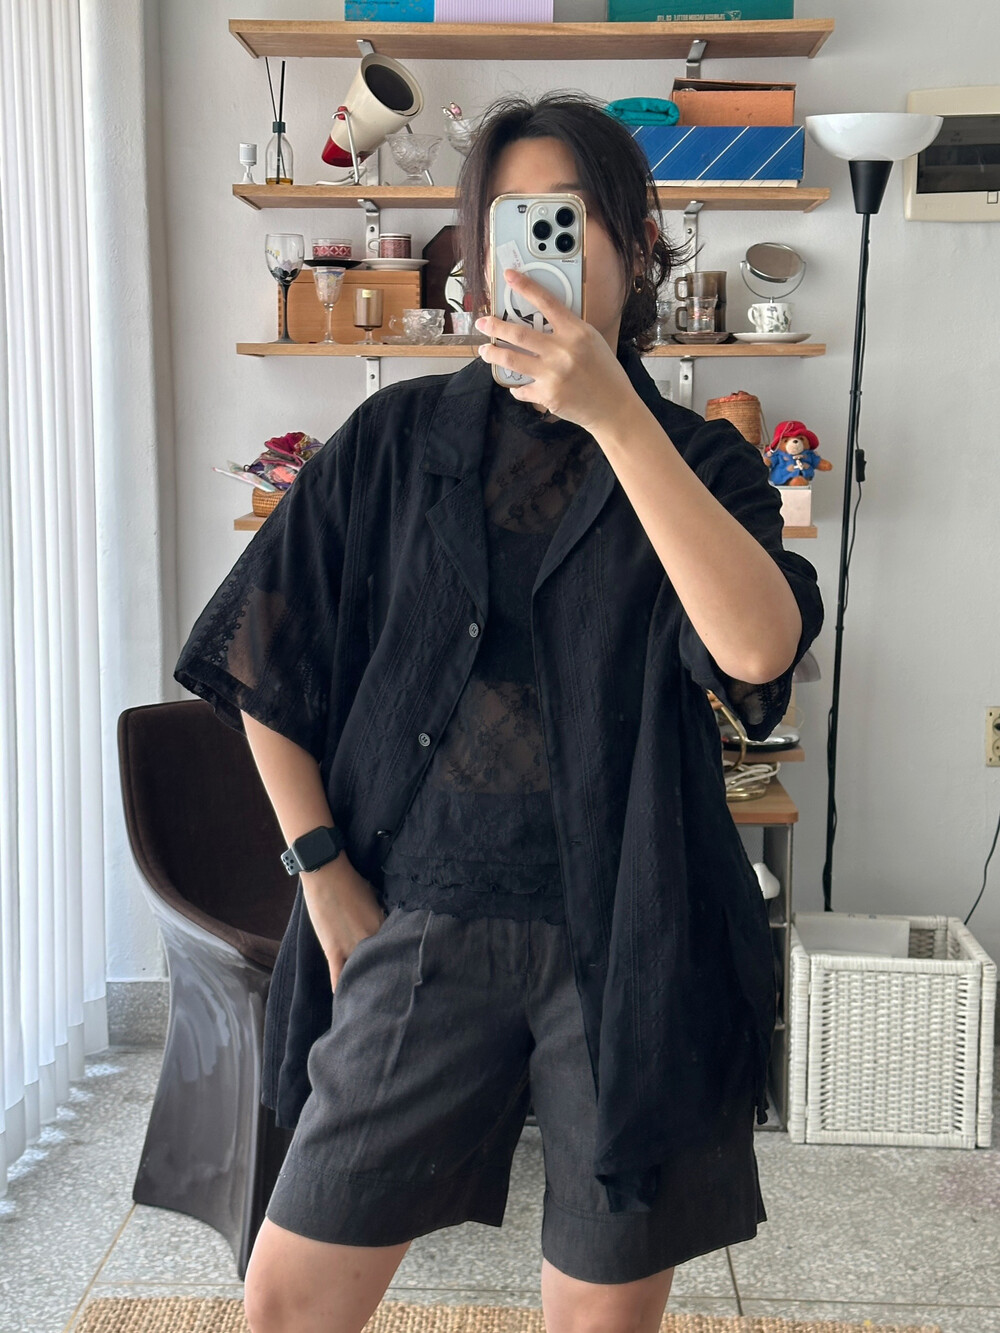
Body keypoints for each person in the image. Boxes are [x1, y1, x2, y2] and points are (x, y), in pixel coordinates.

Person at [173, 90, 823, 1333]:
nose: (533, 254)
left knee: (598, 1321)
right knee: (287, 1305)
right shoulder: (392, 440)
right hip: (416, 911)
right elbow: (262, 658)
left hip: (631, 937)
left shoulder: (704, 461)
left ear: (637, 244)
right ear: (476, 260)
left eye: (566, 222)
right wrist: (320, 870)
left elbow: (755, 651)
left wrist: (614, 414)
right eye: (509, 227)